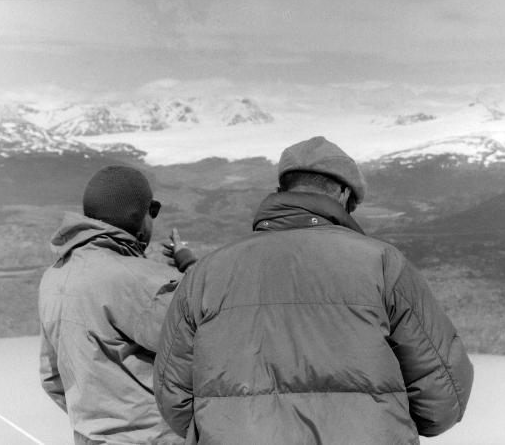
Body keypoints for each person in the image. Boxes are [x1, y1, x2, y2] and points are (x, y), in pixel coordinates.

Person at [153, 136, 474, 444]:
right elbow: (444, 397)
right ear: (342, 193)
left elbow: (175, 399)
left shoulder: (206, 274)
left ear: (281, 190)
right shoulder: (383, 265)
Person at [39, 165, 196, 445]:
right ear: (140, 214)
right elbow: (214, 336)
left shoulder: (54, 278)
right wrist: (190, 266)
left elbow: (52, 378)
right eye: (153, 211)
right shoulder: (144, 281)